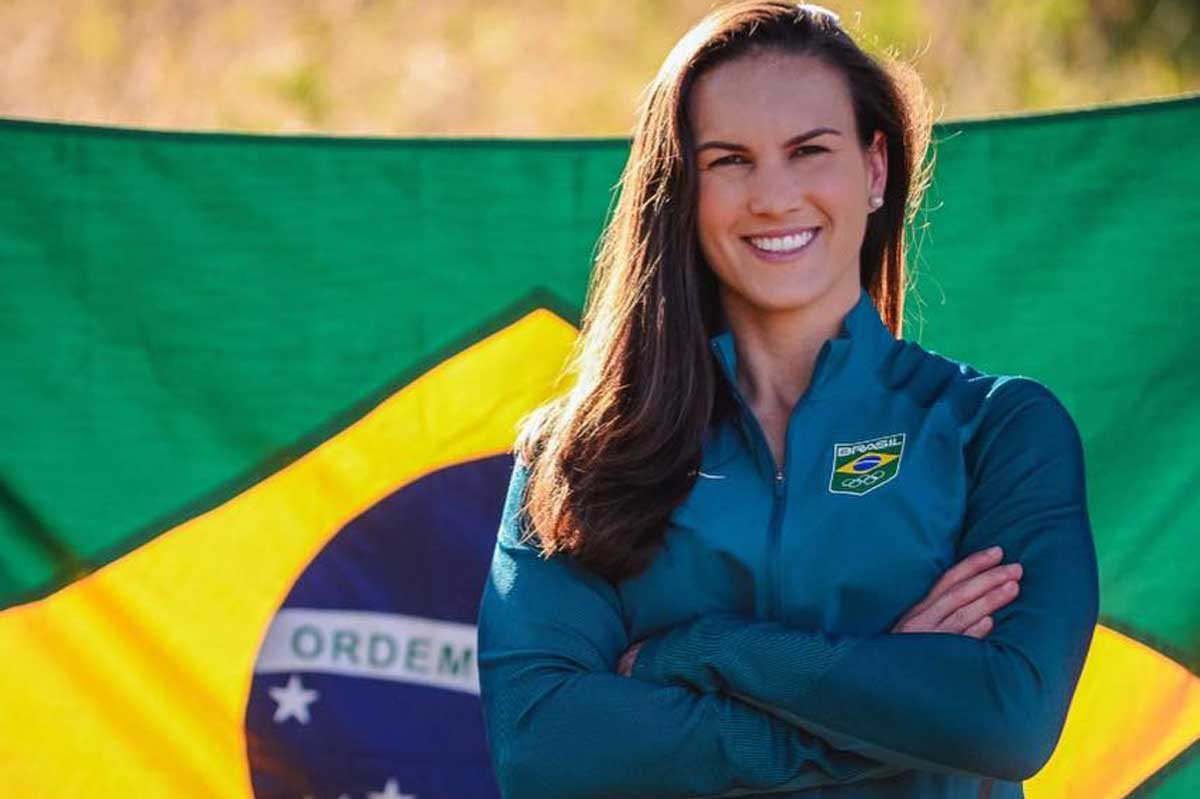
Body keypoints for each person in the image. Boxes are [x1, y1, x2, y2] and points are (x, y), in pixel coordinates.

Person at [476, 2, 1099, 798]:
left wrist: (700, 650)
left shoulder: (1000, 431)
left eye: (809, 151)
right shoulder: (580, 457)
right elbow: (543, 748)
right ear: (681, 191)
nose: (773, 197)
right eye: (730, 160)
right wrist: (888, 690)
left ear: (875, 169)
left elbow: (1005, 718)